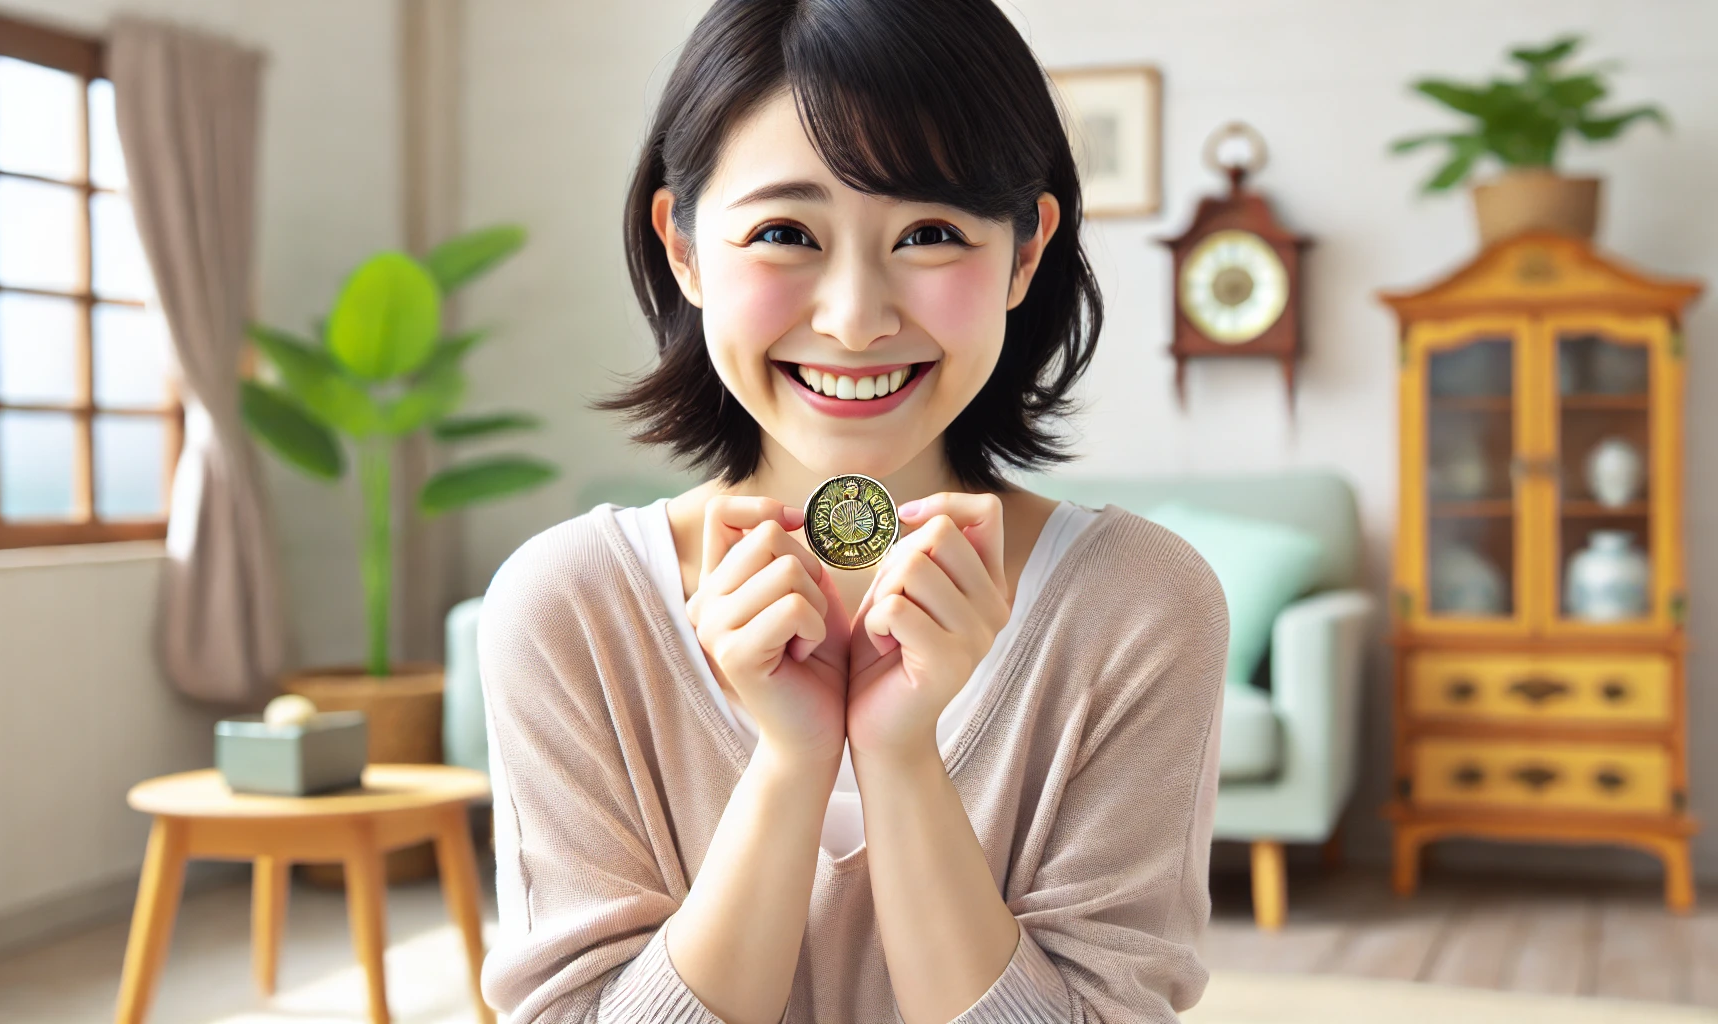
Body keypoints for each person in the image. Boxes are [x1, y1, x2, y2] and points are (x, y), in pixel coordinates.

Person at [476, 1, 1229, 1021]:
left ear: (1022, 251)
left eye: (928, 233)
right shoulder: (568, 606)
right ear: (683, 246)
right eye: (785, 232)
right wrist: (790, 766)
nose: (855, 318)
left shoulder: (1139, 604)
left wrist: (900, 757)